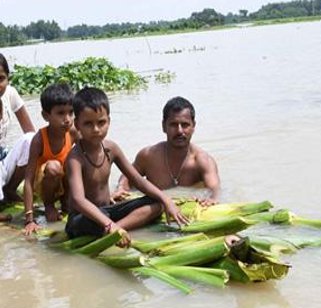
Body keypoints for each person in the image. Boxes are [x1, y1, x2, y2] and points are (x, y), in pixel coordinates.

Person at [65, 87, 188, 247]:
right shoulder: (75, 158)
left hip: (107, 212)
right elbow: (78, 200)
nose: (96, 129)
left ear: (108, 121)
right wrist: (110, 224)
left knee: (157, 204)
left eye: (101, 122)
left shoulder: (111, 149)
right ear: (77, 124)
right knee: (92, 219)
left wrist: (167, 200)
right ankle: (112, 229)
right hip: (83, 219)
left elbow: (137, 180)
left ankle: (118, 229)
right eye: (88, 124)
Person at [111, 96, 220, 205]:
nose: (179, 131)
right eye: (173, 125)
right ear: (164, 126)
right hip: (155, 208)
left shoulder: (203, 161)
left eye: (185, 125)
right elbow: (127, 176)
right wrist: (120, 189)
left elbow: (214, 189)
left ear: (193, 127)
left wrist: (212, 199)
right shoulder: (148, 156)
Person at [22, 84, 78, 235]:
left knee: (75, 161)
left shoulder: (73, 133)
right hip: (45, 184)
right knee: (54, 167)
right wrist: (29, 219)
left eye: (71, 113)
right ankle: (49, 205)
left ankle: (66, 202)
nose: (67, 119)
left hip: (63, 181)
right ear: (46, 116)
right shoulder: (39, 139)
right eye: (60, 113)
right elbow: (28, 179)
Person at [0, 53, 36, 220]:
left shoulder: (10, 94)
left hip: (3, 161)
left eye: (1, 79)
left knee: (31, 140)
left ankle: (10, 189)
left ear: (8, 78)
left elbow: (31, 132)